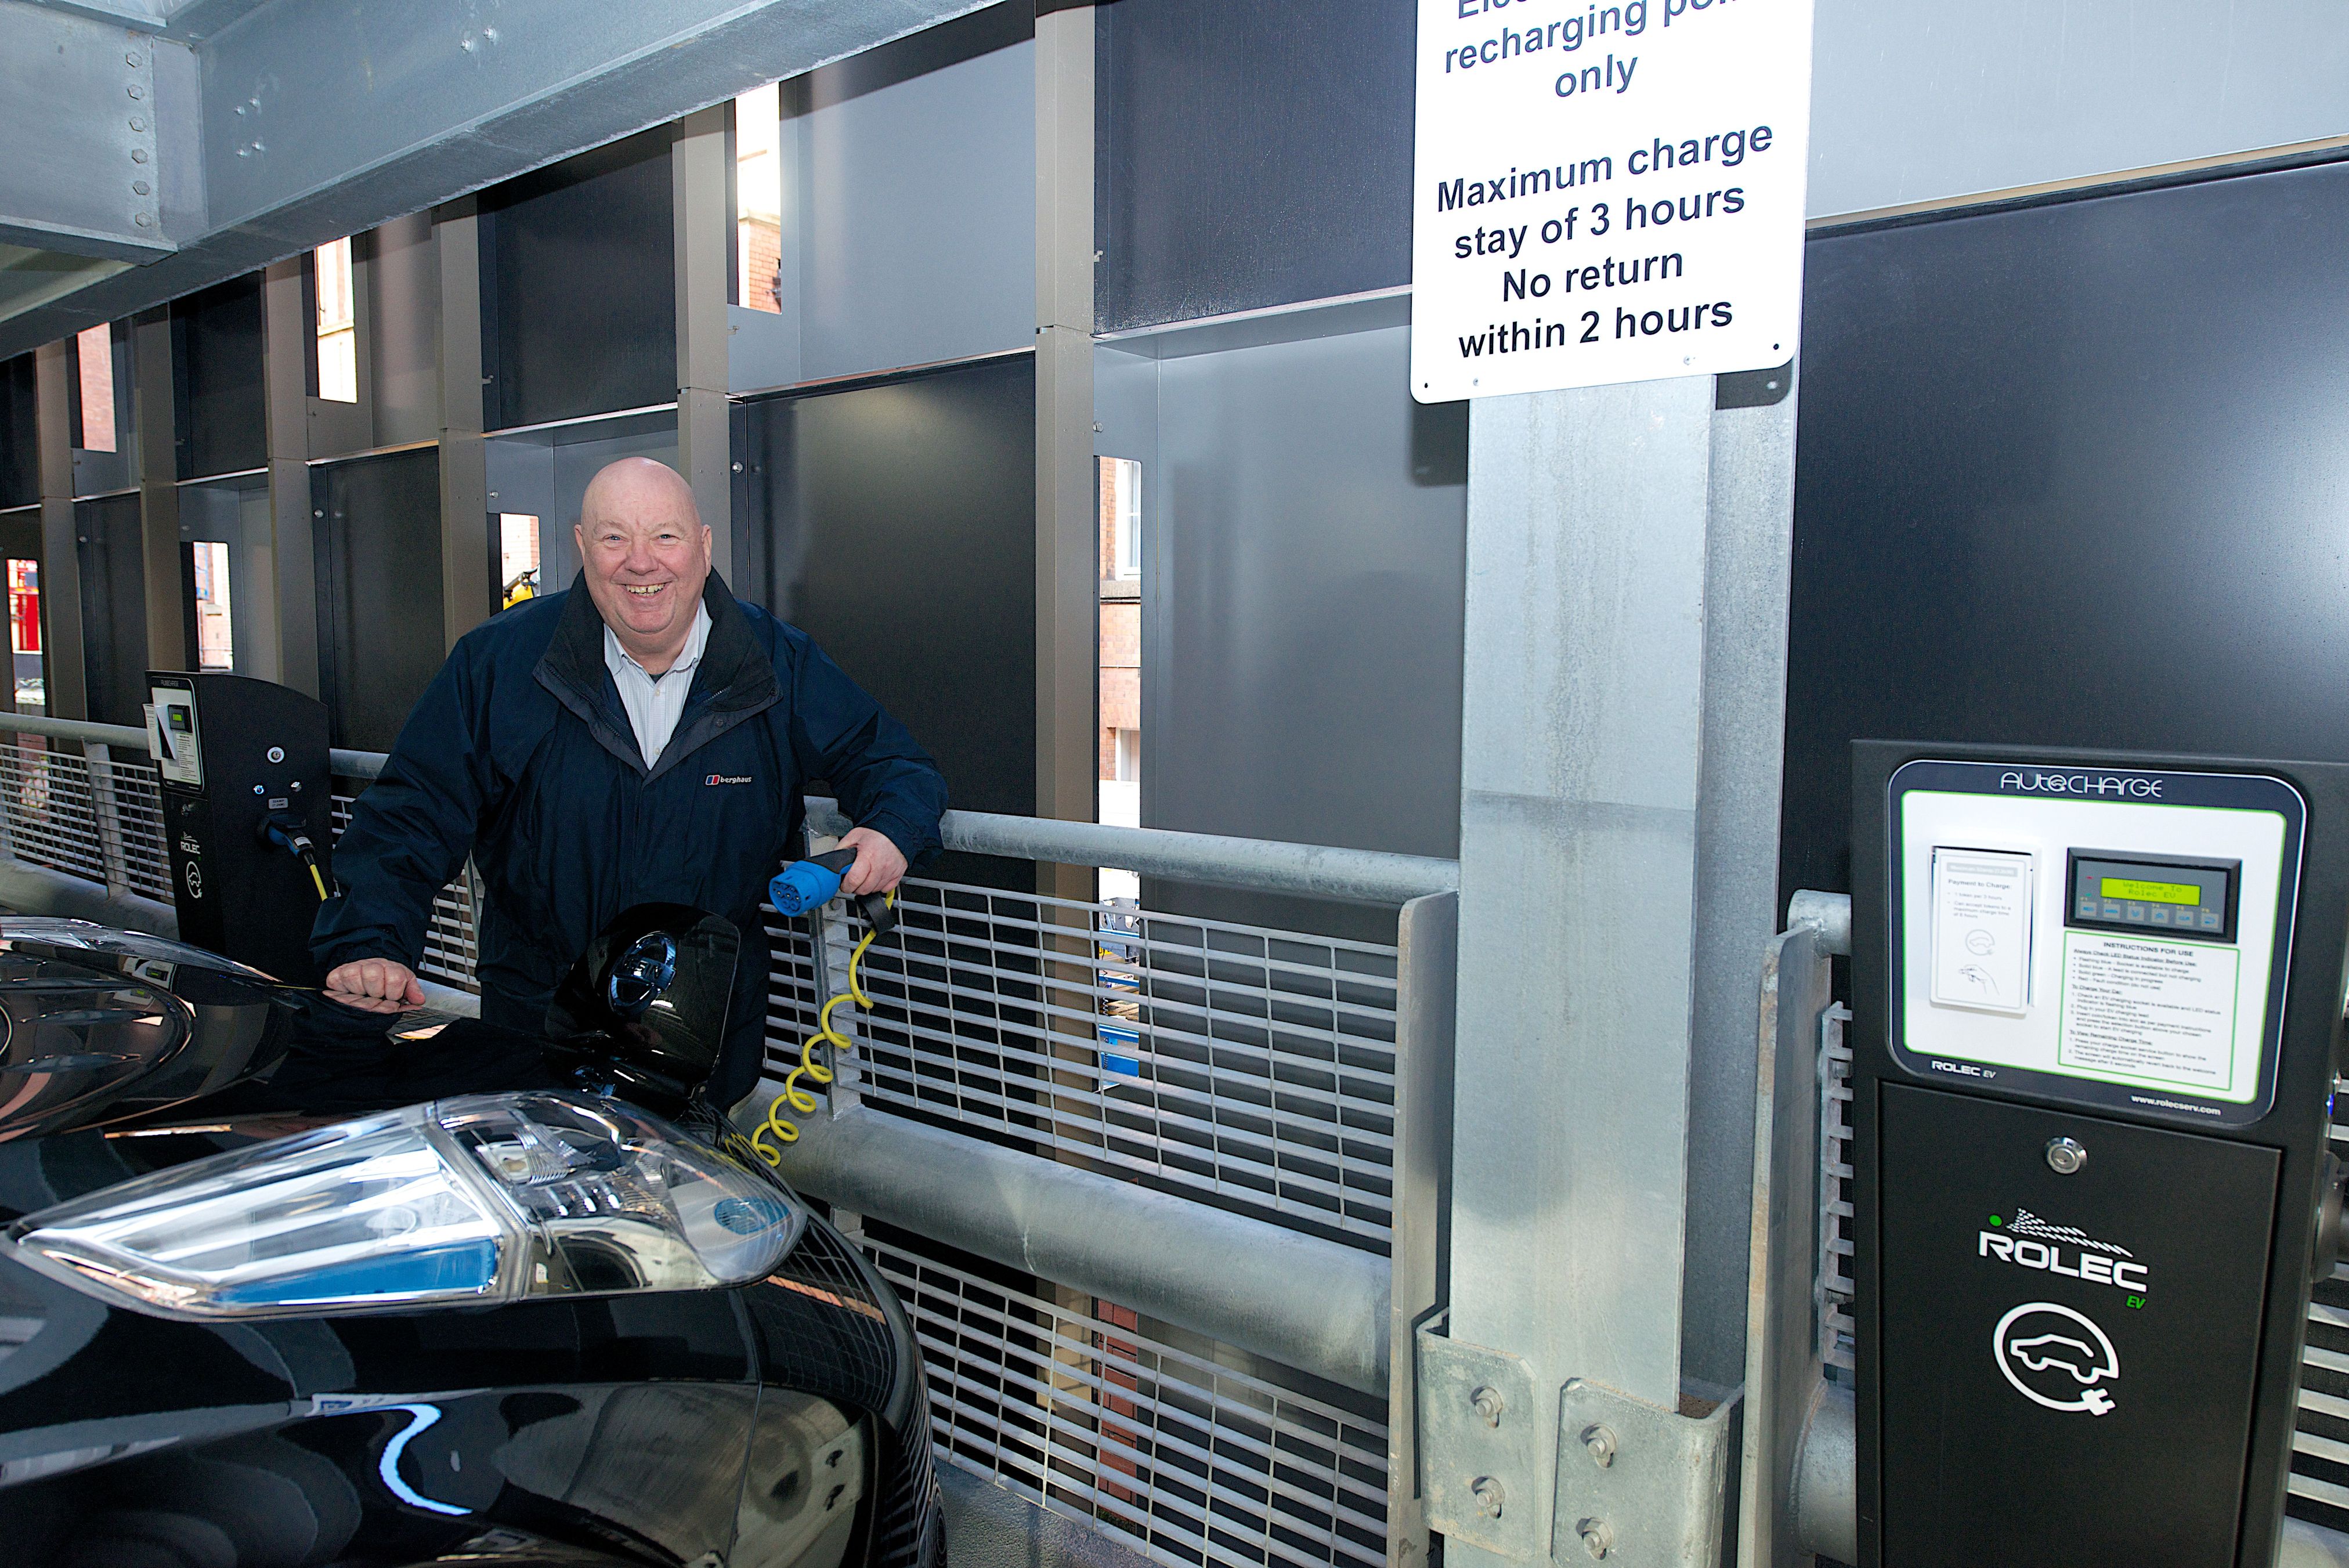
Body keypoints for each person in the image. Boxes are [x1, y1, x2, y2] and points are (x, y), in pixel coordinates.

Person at [313, 457, 946, 1109]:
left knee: (680, 1205)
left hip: (701, 1039)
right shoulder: (497, 663)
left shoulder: (776, 661)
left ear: (703, 547)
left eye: (665, 537)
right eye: (615, 538)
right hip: (537, 1027)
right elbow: (412, 811)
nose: (641, 563)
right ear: (583, 547)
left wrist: (891, 830)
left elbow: (895, 763)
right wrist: (371, 941)